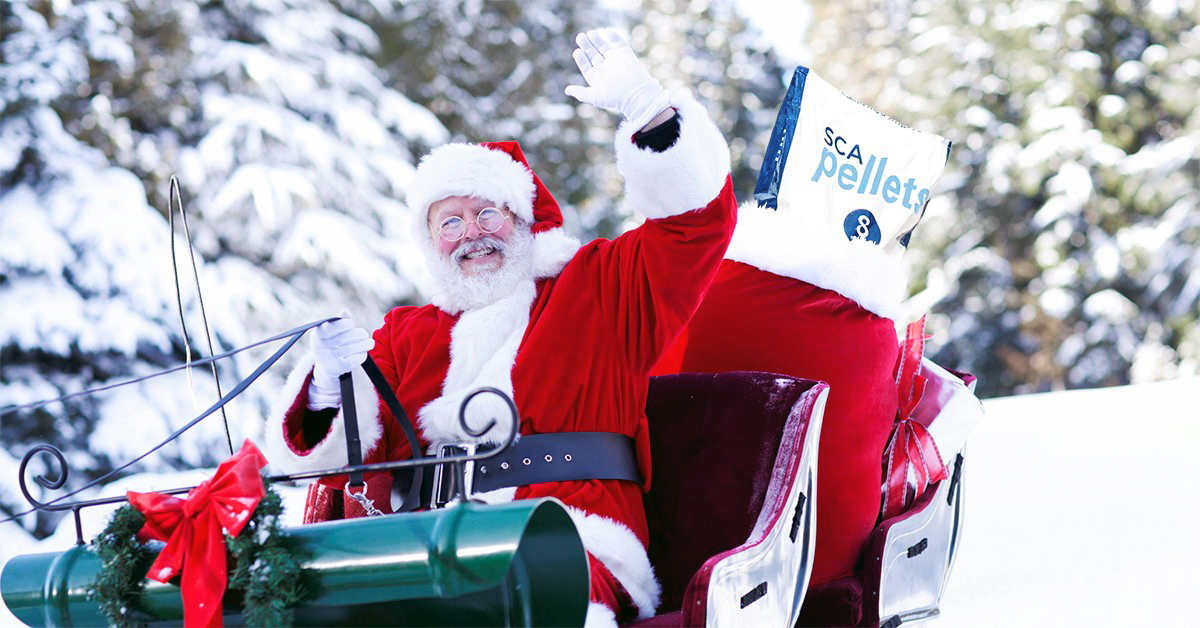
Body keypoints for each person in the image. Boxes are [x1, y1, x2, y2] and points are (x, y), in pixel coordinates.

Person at [264, 28, 736, 626]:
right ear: (430, 242)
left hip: (572, 535)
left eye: (487, 212)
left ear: (522, 220)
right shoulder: (406, 334)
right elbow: (348, 460)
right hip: (422, 544)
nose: (472, 234)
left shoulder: (596, 288)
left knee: (529, 594)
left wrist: (652, 114)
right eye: (450, 222)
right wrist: (328, 391)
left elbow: (694, 228)